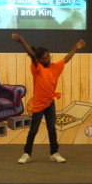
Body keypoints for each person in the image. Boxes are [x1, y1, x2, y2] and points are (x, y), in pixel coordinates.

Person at [12, 34, 85, 164]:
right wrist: (22, 40)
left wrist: (76, 48)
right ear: (40, 60)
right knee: (33, 130)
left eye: (49, 56)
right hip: (38, 104)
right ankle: (26, 154)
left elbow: (66, 59)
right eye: (46, 57)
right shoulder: (37, 68)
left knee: (51, 129)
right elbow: (32, 55)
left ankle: (54, 153)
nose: (49, 58)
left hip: (50, 103)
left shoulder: (55, 67)